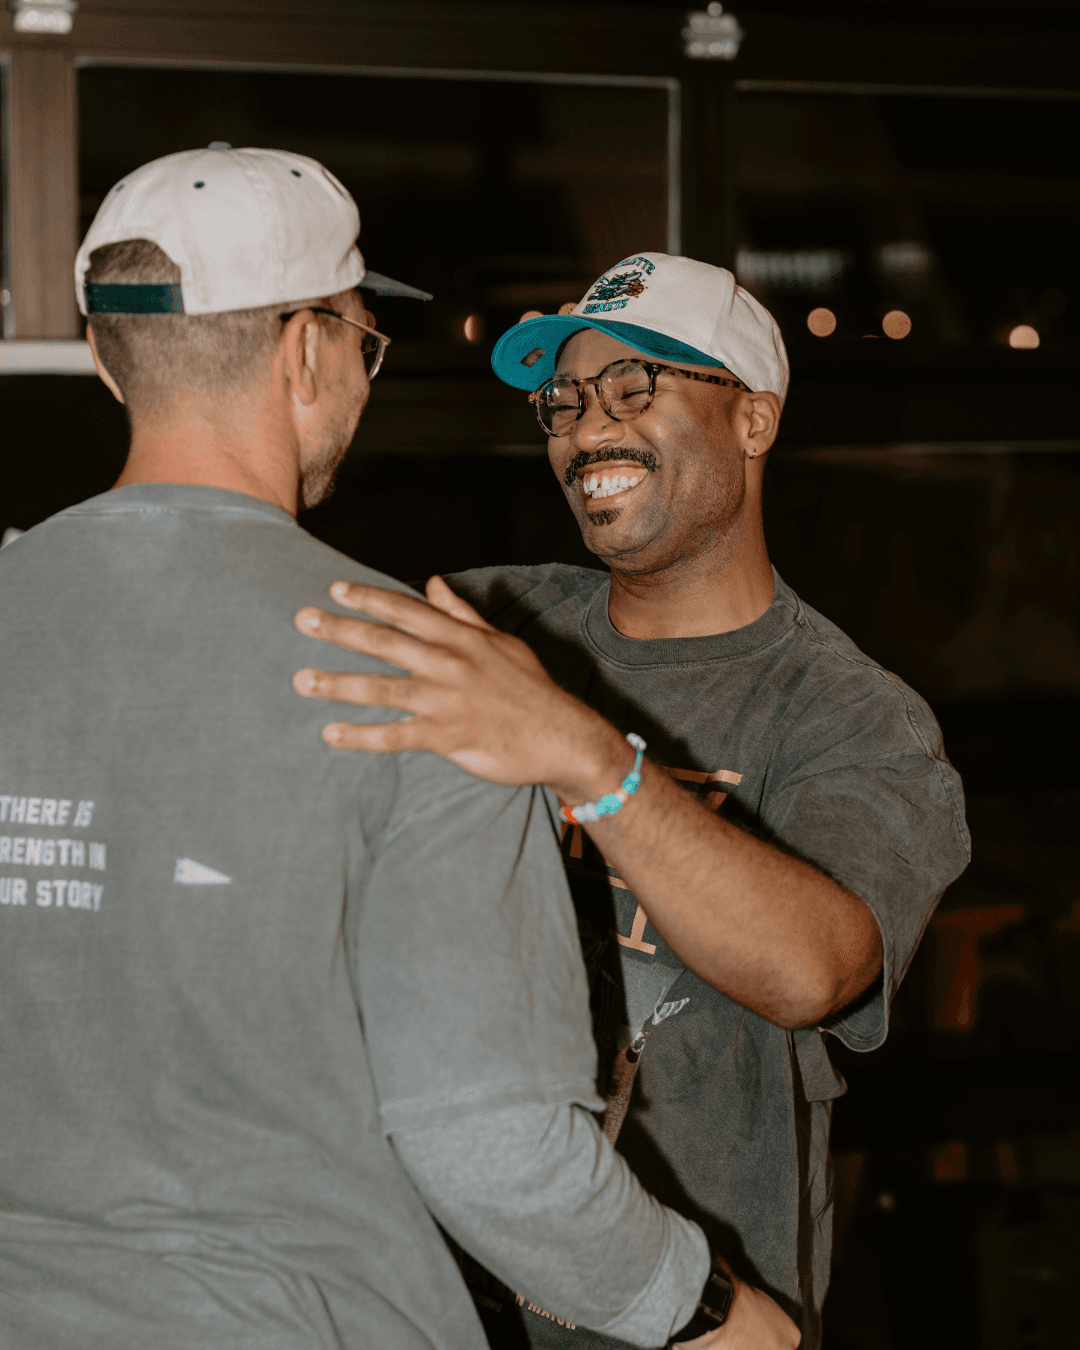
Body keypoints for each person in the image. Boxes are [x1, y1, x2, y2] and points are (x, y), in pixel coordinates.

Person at [0, 161, 798, 1350]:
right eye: (367, 344)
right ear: (307, 352)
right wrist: (712, 1313)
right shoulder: (425, 675)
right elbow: (491, 1149)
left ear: (112, 358)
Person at [291, 252, 971, 1349]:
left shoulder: (851, 718)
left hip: (703, 1313)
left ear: (753, 422)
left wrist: (588, 761)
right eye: (562, 401)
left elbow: (816, 969)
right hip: (423, 1294)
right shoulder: (499, 617)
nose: (582, 429)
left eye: (633, 389)